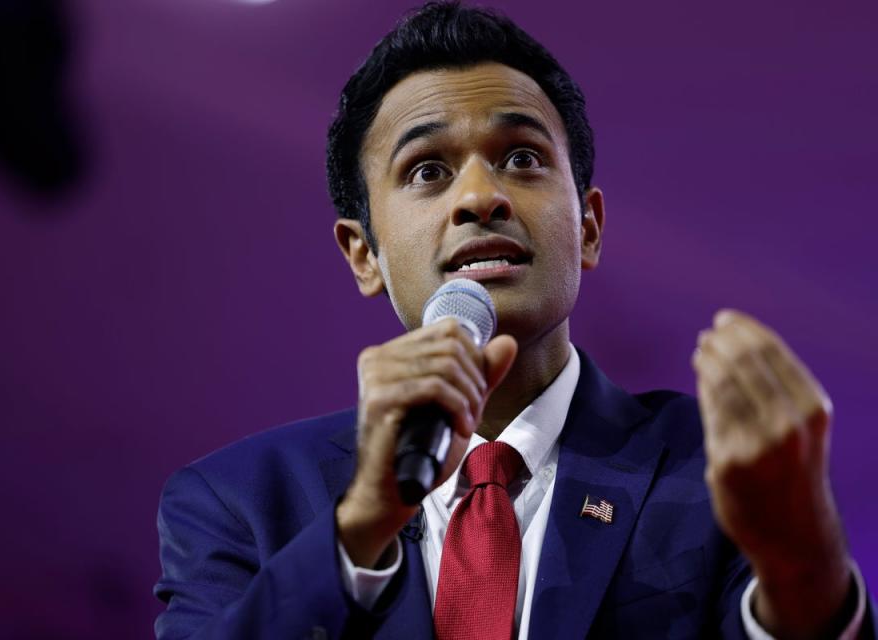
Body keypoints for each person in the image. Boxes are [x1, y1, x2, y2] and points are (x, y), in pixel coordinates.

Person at [153, 3, 875, 638]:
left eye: (522, 158)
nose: (480, 197)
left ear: (588, 229)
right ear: (362, 254)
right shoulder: (238, 502)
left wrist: (803, 564)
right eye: (428, 170)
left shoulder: (719, 467)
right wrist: (362, 524)